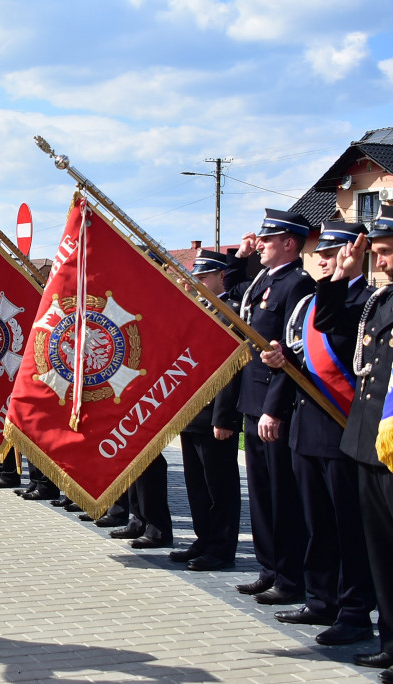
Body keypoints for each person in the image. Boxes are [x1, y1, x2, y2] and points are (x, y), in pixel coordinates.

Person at [260, 221, 375, 646]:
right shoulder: (309, 303)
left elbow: (335, 338)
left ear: (354, 252)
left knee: (348, 527)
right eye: (320, 255)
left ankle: (354, 609)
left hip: (342, 428)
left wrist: (340, 280)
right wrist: (278, 364)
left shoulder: (366, 301)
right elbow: (298, 361)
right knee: (317, 524)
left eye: (332, 254)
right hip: (306, 428)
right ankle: (322, 598)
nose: (323, 260)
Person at [313, 208, 393, 677]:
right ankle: (389, 642)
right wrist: (340, 275)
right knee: (379, 552)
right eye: (377, 253)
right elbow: (328, 323)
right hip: (367, 443)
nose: (379, 263)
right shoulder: (379, 302)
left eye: (384, 253)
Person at [224, 209, 315, 605]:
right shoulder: (262, 279)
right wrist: (239, 257)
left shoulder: (297, 284)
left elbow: (288, 352)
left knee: (282, 495)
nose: (260, 244)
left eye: (268, 239)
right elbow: (234, 302)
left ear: (289, 244)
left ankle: (289, 576)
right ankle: (268, 567)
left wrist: (275, 409)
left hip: (273, 405)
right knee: (260, 492)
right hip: (251, 399)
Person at [171, 249, 242, 571]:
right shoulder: (199, 310)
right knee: (196, 486)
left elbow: (230, 370)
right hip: (191, 411)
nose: (196, 283)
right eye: (194, 277)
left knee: (220, 488)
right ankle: (203, 539)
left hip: (215, 414)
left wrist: (224, 416)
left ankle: (221, 547)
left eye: (203, 278)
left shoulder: (231, 313)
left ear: (220, 277)